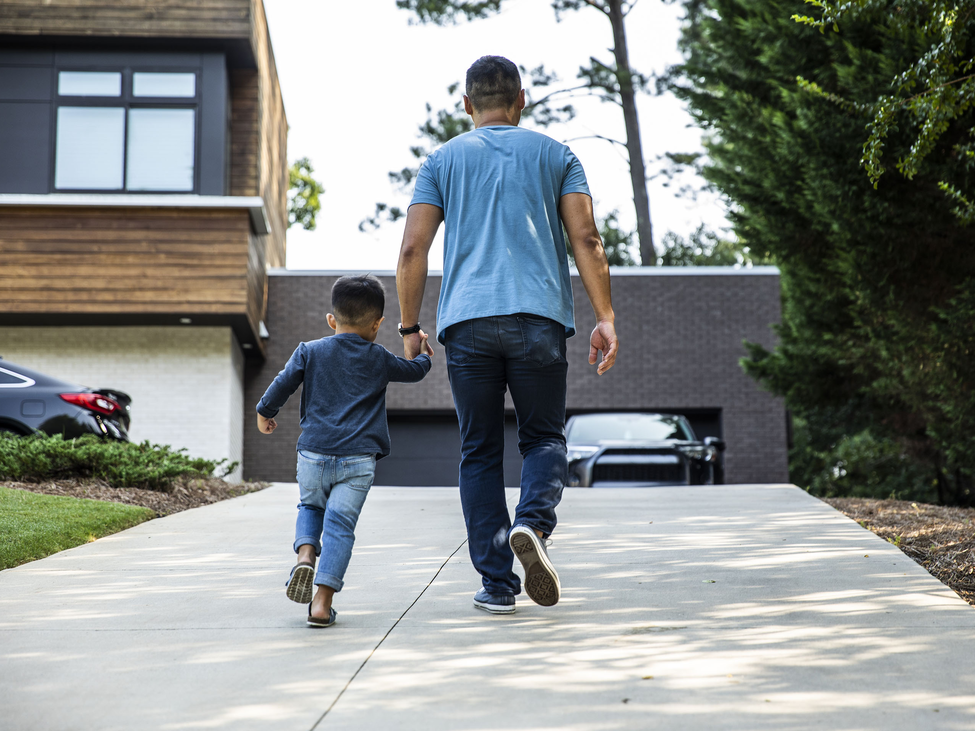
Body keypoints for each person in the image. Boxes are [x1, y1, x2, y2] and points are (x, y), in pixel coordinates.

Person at [395, 56, 619, 615]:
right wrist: (605, 316)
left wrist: (408, 327)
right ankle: (534, 526)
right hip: (538, 319)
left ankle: (497, 586)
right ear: (522, 99)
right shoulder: (558, 155)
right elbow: (586, 239)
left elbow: (411, 250)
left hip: (467, 324)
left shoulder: (440, 161)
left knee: (479, 453)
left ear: (467, 104)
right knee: (543, 438)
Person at [256, 274, 433, 627]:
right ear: (378, 324)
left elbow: (283, 382)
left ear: (332, 320)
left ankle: (305, 554)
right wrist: (423, 355)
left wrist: (265, 412)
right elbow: (413, 372)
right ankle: (321, 604)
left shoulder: (310, 350)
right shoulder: (379, 357)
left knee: (310, 505)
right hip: (357, 461)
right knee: (340, 526)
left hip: (314, 454)